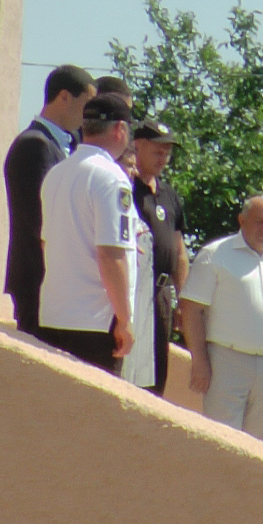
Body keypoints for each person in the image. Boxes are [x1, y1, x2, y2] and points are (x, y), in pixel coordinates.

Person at [179, 196, 263, 441]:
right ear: (242, 221)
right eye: (259, 222)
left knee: (259, 442)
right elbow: (191, 309)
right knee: (220, 438)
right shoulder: (215, 255)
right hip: (225, 360)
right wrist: (199, 361)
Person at [35, 94, 139, 374]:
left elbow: (46, 244)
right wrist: (124, 319)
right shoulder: (111, 177)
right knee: (93, 414)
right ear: (120, 129)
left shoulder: (56, 173)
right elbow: (110, 253)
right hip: (95, 322)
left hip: (54, 314)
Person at [2, 65, 92, 335]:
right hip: (40, 280)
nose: (89, 115)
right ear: (64, 97)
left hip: (61, 284)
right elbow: (39, 219)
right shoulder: (35, 145)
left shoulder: (71, 146)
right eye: (87, 103)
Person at [128, 118, 187, 393]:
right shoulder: (125, 187)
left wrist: (183, 301)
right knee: (130, 367)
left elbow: (179, 251)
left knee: (156, 372)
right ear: (137, 146)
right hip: (134, 288)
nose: (163, 157)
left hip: (161, 293)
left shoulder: (169, 195)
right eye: (157, 150)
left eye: (167, 151)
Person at [117, 143, 160, 390]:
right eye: (128, 166)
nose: (133, 172)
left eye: (134, 167)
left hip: (142, 302)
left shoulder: (128, 202)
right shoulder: (112, 196)